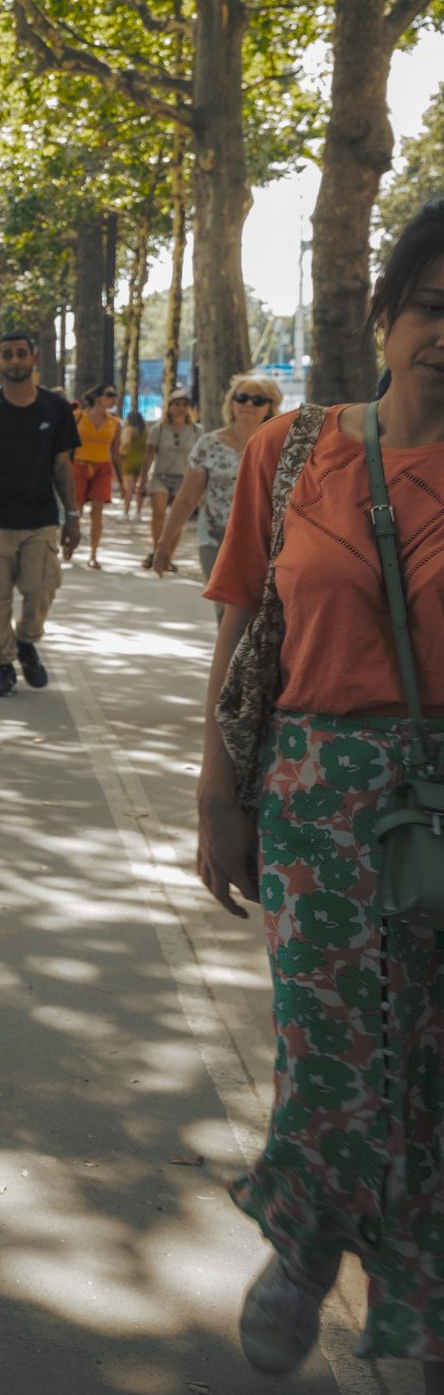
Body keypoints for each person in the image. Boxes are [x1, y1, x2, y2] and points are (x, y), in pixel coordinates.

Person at [195, 201, 444, 1384]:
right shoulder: (290, 452)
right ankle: (303, 1242)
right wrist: (218, 795)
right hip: (317, 792)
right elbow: (241, 629)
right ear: (386, 313)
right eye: (433, 307)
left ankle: (414, 1301)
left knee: (433, 1065)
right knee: (330, 1043)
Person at [0, 331, 79, 698]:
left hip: (40, 519)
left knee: (41, 589)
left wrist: (73, 517)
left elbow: (63, 466)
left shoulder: (56, 408)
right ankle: (4, 664)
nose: (14, 360)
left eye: (21, 353)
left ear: (34, 358)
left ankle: (27, 641)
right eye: (7, 355)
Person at [155, 374, 285, 607]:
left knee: (258, 612)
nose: (248, 404)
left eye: (258, 400)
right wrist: (164, 543)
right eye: (242, 398)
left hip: (265, 543)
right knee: (226, 612)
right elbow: (187, 498)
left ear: (270, 407)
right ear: (231, 403)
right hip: (215, 540)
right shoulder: (209, 444)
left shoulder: (280, 446)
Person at [142, 392, 201, 570]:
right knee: (159, 514)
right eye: (177, 404)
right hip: (160, 477)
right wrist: (142, 480)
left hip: (184, 479)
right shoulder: (158, 429)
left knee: (177, 519)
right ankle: (156, 552)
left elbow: (201, 458)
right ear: (169, 407)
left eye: (184, 404)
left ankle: (168, 556)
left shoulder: (197, 431)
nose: (181, 407)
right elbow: (149, 456)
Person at [70, 384, 122, 566]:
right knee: (76, 510)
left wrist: (121, 481)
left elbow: (116, 453)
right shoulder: (77, 417)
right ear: (98, 397)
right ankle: (71, 543)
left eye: (115, 395)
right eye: (110, 395)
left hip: (103, 469)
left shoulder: (115, 423)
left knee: (97, 512)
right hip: (79, 466)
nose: (113, 399)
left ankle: (93, 554)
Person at [117, 409, 150, 522]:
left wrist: (120, 453)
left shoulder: (129, 429)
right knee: (140, 488)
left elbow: (126, 442)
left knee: (128, 489)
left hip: (129, 461)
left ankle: (126, 512)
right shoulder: (145, 432)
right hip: (142, 462)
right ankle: (138, 513)